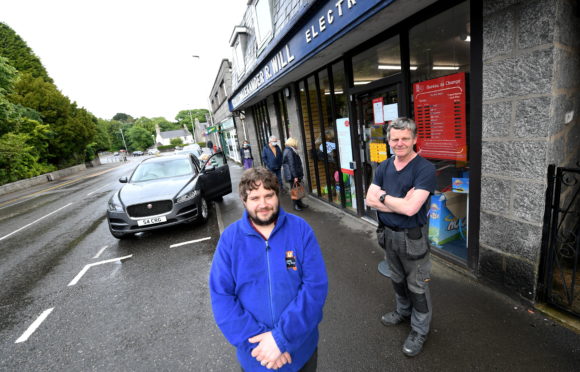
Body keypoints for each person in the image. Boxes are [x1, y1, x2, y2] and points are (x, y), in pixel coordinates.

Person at [209, 167, 328, 371]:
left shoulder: (300, 230)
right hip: (257, 357)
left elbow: (314, 288)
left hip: (300, 352)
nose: (263, 204)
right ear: (244, 201)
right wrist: (262, 347)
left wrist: (281, 339)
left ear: (277, 195)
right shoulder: (229, 240)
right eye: (255, 198)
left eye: (268, 195)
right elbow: (222, 298)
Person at [364, 117, 436, 357]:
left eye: (405, 138)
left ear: (415, 139)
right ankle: (403, 311)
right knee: (396, 278)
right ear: (388, 141)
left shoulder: (424, 169)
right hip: (387, 235)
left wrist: (383, 198)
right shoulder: (383, 167)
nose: (400, 143)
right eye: (395, 139)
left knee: (417, 286)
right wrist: (398, 202)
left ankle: (419, 331)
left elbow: (410, 209)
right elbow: (368, 199)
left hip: (412, 237)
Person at [282, 137, 308, 212]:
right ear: (293, 144)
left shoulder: (289, 150)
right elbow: (292, 165)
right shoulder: (289, 151)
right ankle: (295, 205)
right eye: (296, 144)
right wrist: (295, 176)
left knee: (297, 189)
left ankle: (300, 203)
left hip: (293, 174)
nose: (297, 145)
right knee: (294, 190)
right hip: (293, 175)